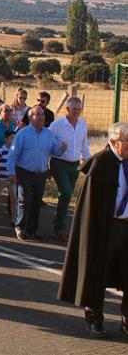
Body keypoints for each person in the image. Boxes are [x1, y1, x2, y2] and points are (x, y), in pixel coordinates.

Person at [58, 122, 128, 338]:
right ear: (114, 142)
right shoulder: (101, 164)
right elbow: (89, 206)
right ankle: (95, 316)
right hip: (104, 228)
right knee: (98, 270)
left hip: (126, 226)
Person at [7, 105, 67, 241]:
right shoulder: (23, 133)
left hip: (41, 173)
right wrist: (11, 173)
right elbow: (13, 155)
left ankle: (32, 229)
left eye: (42, 114)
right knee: (25, 200)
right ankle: (20, 227)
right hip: (24, 172)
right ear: (30, 117)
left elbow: (55, 151)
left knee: (37, 202)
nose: (41, 117)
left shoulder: (48, 133)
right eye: (37, 114)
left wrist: (62, 149)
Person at [48, 97, 90, 241]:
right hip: (59, 163)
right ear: (67, 109)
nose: (77, 112)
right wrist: (47, 163)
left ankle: (58, 228)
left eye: (79, 109)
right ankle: (58, 227)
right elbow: (47, 144)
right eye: (74, 109)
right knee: (66, 193)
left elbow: (84, 146)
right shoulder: (56, 125)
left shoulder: (83, 125)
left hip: (75, 166)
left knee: (66, 196)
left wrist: (89, 164)